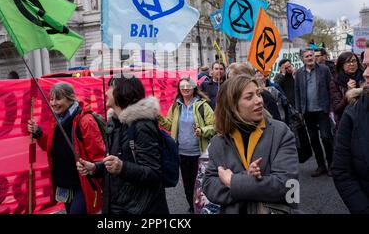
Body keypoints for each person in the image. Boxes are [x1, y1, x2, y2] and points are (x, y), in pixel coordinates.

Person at [202, 75, 299, 214]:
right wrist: (246, 177)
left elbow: (288, 187)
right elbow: (209, 186)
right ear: (232, 105)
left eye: (258, 94)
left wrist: (232, 182)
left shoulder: (280, 132)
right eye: (249, 97)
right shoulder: (219, 141)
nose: (259, 100)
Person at [77, 76, 169, 214]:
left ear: (123, 91)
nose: (106, 92)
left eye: (110, 88)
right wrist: (95, 168)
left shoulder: (142, 125)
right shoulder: (115, 123)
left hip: (140, 209)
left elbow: (154, 173)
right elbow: (116, 163)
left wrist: (122, 168)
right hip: (117, 206)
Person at [27, 82, 105, 214]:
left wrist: (93, 168)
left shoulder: (85, 120)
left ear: (70, 98)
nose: (53, 103)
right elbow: (52, 147)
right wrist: (39, 133)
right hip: (64, 184)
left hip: (83, 184)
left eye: (58, 99)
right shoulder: (56, 119)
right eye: (51, 99)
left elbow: (99, 155)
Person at [159, 77, 215, 213]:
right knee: (188, 186)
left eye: (188, 86)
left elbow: (214, 126)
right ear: (179, 89)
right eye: (182, 86)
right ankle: (192, 207)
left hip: (199, 154)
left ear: (194, 88)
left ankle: (202, 208)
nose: (185, 88)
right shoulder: (176, 106)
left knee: (201, 184)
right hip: (182, 154)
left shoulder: (203, 106)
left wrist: (201, 131)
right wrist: (158, 117)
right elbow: (169, 124)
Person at [331, 39, 369, 214]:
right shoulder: (355, 110)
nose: (366, 73)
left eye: (356, 61)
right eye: (366, 65)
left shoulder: (362, 79)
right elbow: (336, 109)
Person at [295, 48, 334, 177]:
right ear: (302, 59)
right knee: (313, 139)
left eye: (311, 55)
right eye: (306, 56)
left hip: (323, 110)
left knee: (326, 137)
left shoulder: (324, 69)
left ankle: (331, 164)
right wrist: (299, 111)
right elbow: (297, 92)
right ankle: (321, 166)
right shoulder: (299, 73)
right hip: (307, 111)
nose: (310, 58)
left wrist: (331, 108)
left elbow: (331, 88)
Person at [330, 52, 365, 128]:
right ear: (341, 65)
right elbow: (337, 109)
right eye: (348, 62)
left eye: (354, 61)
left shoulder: (365, 77)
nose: (352, 64)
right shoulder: (336, 81)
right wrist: (348, 93)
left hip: (364, 120)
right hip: (346, 123)